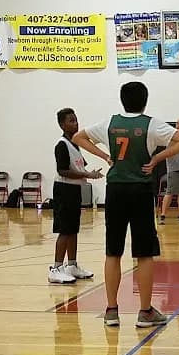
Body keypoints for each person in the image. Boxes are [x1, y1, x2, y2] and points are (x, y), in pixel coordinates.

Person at [72, 81, 179, 328]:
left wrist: (105, 156)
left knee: (113, 252)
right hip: (139, 190)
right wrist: (157, 157)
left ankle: (111, 310)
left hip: (115, 191)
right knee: (145, 253)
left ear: (122, 100)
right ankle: (145, 311)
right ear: (144, 100)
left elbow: (78, 137)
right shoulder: (151, 124)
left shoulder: (109, 123)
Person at [48, 108, 104, 284]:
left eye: (76, 120)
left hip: (74, 190)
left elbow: (79, 168)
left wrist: (90, 173)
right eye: (71, 121)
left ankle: (71, 264)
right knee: (64, 230)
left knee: (73, 229)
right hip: (63, 191)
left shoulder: (75, 144)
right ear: (62, 124)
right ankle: (56, 268)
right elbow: (63, 170)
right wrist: (87, 175)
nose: (75, 123)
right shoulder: (61, 145)